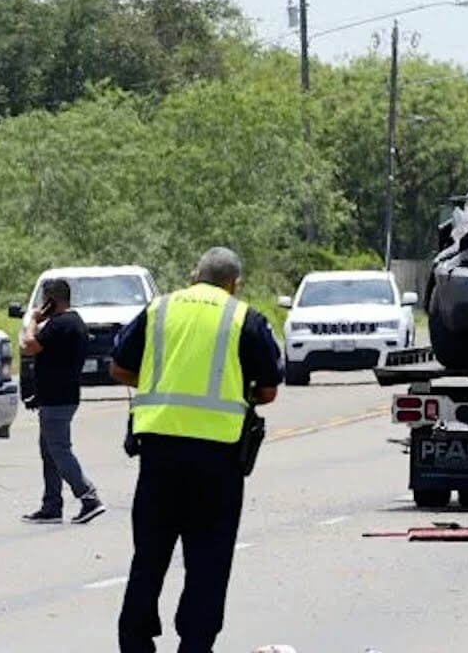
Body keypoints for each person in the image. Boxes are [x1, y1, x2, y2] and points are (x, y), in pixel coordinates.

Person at [110, 247, 283, 653]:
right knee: (208, 561)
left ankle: (134, 643)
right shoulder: (245, 317)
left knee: (149, 557)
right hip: (218, 459)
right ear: (233, 282)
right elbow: (269, 389)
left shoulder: (159, 310)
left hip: (158, 454)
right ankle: (195, 645)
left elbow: (118, 367)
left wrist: (161, 381)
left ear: (194, 275)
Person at [19, 277, 106, 525]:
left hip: (57, 399)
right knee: (49, 452)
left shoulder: (60, 324)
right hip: (60, 396)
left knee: (58, 449)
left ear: (50, 300)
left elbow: (29, 346)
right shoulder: (73, 322)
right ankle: (52, 505)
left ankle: (89, 497)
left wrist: (32, 322)